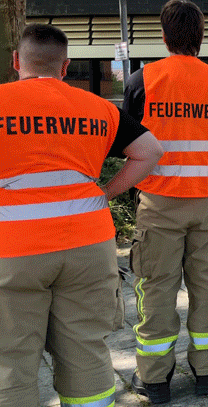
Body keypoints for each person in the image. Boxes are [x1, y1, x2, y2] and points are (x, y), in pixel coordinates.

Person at [0, 23, 163, 407]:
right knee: (85, 349)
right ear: (65, 65)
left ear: (15, 61)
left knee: (10, 358)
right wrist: (104, 193)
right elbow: (151, 151)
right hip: (89, 243)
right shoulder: (98, 108)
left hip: (13, 250)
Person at [123, 0, 208, 404]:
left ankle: (154, 380)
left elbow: (128, 145)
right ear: (201, 36)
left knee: (156, 287)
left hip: (160, 201)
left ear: (165, 35)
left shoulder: (143, 80)